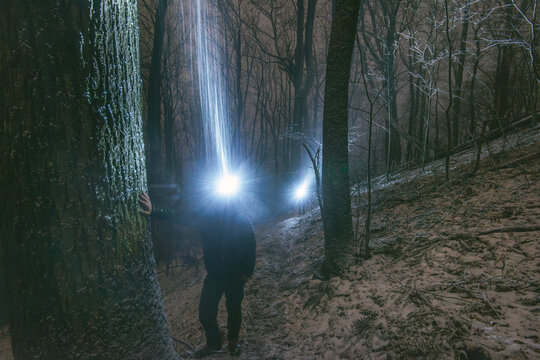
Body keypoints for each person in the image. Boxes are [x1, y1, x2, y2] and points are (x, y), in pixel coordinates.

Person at [139, 193, 256, 358]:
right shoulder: (207, 220)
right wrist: (154, 210)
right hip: (214, 276)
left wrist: (246, 274)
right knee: (206, 313)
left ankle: (233, 342)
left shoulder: (242, 222)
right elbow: (180, 216)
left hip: (235, 278)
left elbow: (251, 248)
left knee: (234, 310)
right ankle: (214, 343)